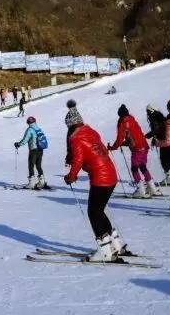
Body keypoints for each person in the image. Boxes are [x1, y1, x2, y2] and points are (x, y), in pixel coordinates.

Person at [63, 109, 128, 262]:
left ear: (71, 125)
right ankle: (116, 244)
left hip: (101, 177)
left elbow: (78, 159)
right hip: (110, 173)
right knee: (99, 210)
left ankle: (105, 251)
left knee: (93, 212)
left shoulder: (76, 139)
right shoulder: (91, 132)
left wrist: (71, 176)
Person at [109, 104, 159, 198]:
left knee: (134, 168)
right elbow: (133, 136)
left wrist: (114, 147)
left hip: (137, 149)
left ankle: (141, 190)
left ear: (120, 115)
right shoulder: (132, 119)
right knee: (142, 166)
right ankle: (151, 187)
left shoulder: (123, 122)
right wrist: (123, 144)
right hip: (144, 146)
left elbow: (120, 138)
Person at [145, 104, 170, 186]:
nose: (147, 114)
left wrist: (148, 135)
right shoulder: (160, 116)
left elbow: (156, 129)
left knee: (163, 158)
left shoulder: (153, 117)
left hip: (163, 140)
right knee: (169, 158)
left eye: (147, 111)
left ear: (150, 111)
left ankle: (169, 177)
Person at [15, 116, 49, 189]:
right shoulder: (38, 129)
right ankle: (42, 182)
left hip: (33, 150)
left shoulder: (30, 129)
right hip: (40, 149)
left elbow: (25, 140)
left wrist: (18, 144)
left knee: (31, 165)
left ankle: (32, 183)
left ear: (28, 122)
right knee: (38, 165)